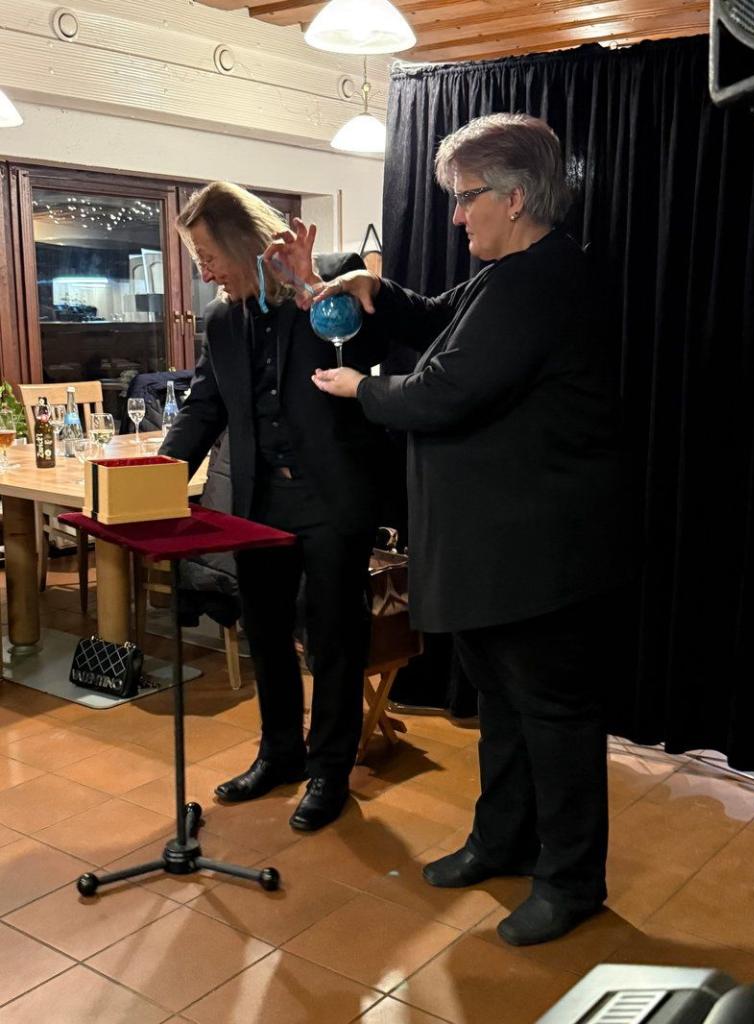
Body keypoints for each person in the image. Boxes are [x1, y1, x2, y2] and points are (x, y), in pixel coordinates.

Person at [294, 113, 635, 944]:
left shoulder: (541, 281)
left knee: (554, 719)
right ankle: (502, 840)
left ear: (514, 198)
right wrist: (372, 290)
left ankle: (571, 882)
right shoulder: (508, 274)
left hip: (540, 557)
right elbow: (434, 320)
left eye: (466, 198)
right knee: (504, 708)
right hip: (499, 553)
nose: (454, 216)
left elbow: (446, 390)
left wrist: (361, 389)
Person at [160, 181, 389, 831]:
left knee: (334, 638)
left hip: (331, 497)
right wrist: (157, 477)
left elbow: (375, 350)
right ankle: (281, 752)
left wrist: (310, 287)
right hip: (260, 501)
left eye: (208, 256)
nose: (205, 272)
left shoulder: (329, 282)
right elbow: (205, 407)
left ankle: (331, 770)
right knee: (264, 632)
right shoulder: (221, 321)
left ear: (241, 243)